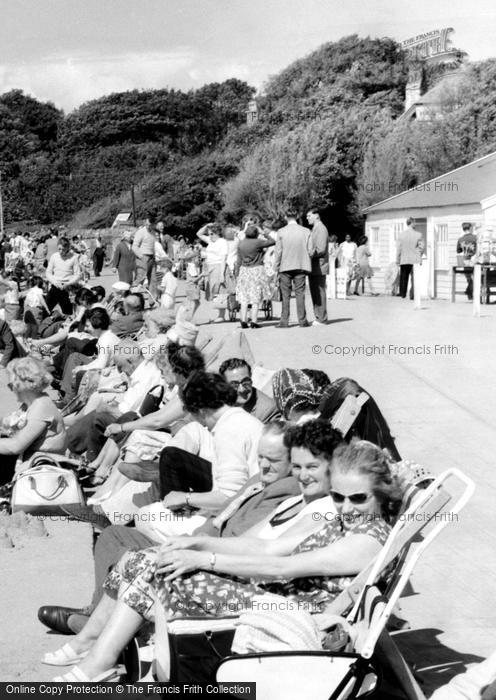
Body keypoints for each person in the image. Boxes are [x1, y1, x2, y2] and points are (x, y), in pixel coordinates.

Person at [44, 434, 401, 683]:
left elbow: (283, 567)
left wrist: (205, 561)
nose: (346, 508)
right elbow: (268, 549)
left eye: (358, 499)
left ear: (381, 494)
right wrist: (198, 547)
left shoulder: (367, 541)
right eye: (338, 496)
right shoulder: (334, 518)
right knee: (152, 559)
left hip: (290, 611)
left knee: (158, 569)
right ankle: (96, 655)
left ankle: (99, 659)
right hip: (272, 592)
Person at [0, 358, 67, 485]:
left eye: (11, 385)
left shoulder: (41, 408)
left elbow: (16, 446)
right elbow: (9, 425)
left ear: (25, 385)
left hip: (41, 467)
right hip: (31, 459)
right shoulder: (33, 403)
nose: (11, 389)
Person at [274, 208, 314, 328]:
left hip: (285, 266)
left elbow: (278, 252)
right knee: (300, 293)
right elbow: (311, 251)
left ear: (286, 217)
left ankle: (284, 321)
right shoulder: (306, 231)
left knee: (285, 295)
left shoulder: (281, 231)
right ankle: (302, 321)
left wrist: (276, 266)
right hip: (300, 265)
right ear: (297, 217)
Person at [235, 224, 275, 329]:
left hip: (244, 270)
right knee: (255, 298)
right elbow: (273, 241)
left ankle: (243, 320)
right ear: (256, 233)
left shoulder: (241, 243)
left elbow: (238, 259)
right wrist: (264, 233)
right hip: (257, 270)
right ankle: (254, 321)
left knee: (244, 297)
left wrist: (237, 273)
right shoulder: (258, 242)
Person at [219, 358, 280, 423]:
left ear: (251, 377)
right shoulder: (217, 399)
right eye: (234, 385)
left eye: (245, 382)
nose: (242, 390)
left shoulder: (268, 411)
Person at [45, 237, 81, 314]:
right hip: (55, 286)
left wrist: (68, 283)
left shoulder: (74, 257)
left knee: (68, 313)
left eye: (63, 249)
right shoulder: (54, 256)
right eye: (59, 249)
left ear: (68, 248)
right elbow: (48, 273)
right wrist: (55, 282)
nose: (61, 251)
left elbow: (77, 274)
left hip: (67, 288)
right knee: (45, 310)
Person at [306, 207, 329, 325]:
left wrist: (308, 253)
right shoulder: (316, 228)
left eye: (309, 216)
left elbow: (320, 249)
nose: (307, 218)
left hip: (319, 266)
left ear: (316, 215)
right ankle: (318, 317)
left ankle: (322, 318)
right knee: (315, 292)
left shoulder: (320, 228)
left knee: (319, 292)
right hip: (315, 266)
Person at [196, 223, 228, 303]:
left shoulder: (222, 242)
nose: (210, 235)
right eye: (209, 234)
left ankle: (220, 312)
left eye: (212, 233)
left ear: (217, 233)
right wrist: (206, 226)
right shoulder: (210, 240)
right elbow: (199, 234)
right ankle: (216, 309)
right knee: (210, 291)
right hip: (208, 266)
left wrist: (222, 274)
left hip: (217, 266)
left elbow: (223, 259)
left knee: (216, 291)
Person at [396, 218, 423, 300]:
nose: (416, 224)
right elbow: (421, 248)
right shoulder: (418, 235)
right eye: (415, 222)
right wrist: (419, 255)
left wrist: (398, 259)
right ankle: (413, 295)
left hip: (404, 259)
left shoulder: (401, 235)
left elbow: (399, 248)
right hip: (415, 259)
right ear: (411, 223)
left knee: (404, 277)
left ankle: (403, 294)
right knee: (414, 278)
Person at [133, 213, 158, 296]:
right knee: (140, 278)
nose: (148, 226)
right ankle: (132, 295)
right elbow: (134, 246)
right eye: (146, 224)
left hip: (152, 258)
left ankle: (152, 299)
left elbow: (155, 246)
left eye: (150, 225)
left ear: (153, 225)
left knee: (153, 279)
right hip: (143, 257)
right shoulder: (140, 232)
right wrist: (141, 256)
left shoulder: (154, 233)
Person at [456, 222, 477, 301]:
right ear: (470, 228)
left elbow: (458, 251)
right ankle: (469, 292)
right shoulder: (475, 238)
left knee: (469, 278)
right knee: (476, 278)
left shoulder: (460, 239)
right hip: (474, 260)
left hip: (465, 260)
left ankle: (470, 294)